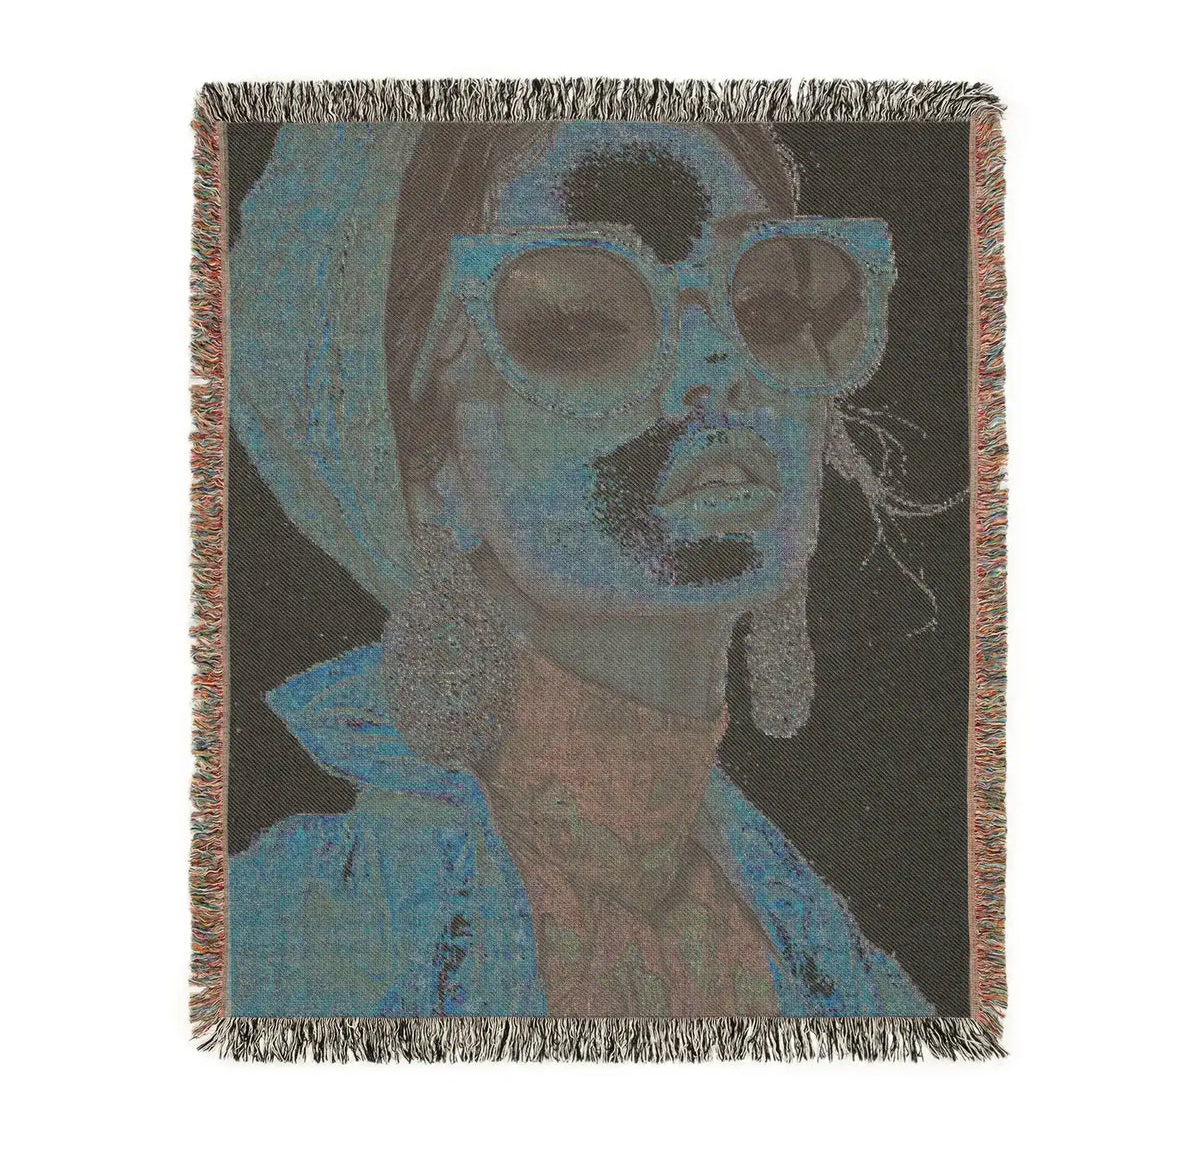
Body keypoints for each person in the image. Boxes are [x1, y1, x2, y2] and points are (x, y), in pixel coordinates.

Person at [228, 119, 934, 1018]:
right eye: (583, 325)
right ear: (426, 470)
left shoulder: (843, 976)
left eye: (766, 310)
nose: (720, 367)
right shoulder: (298, 947)